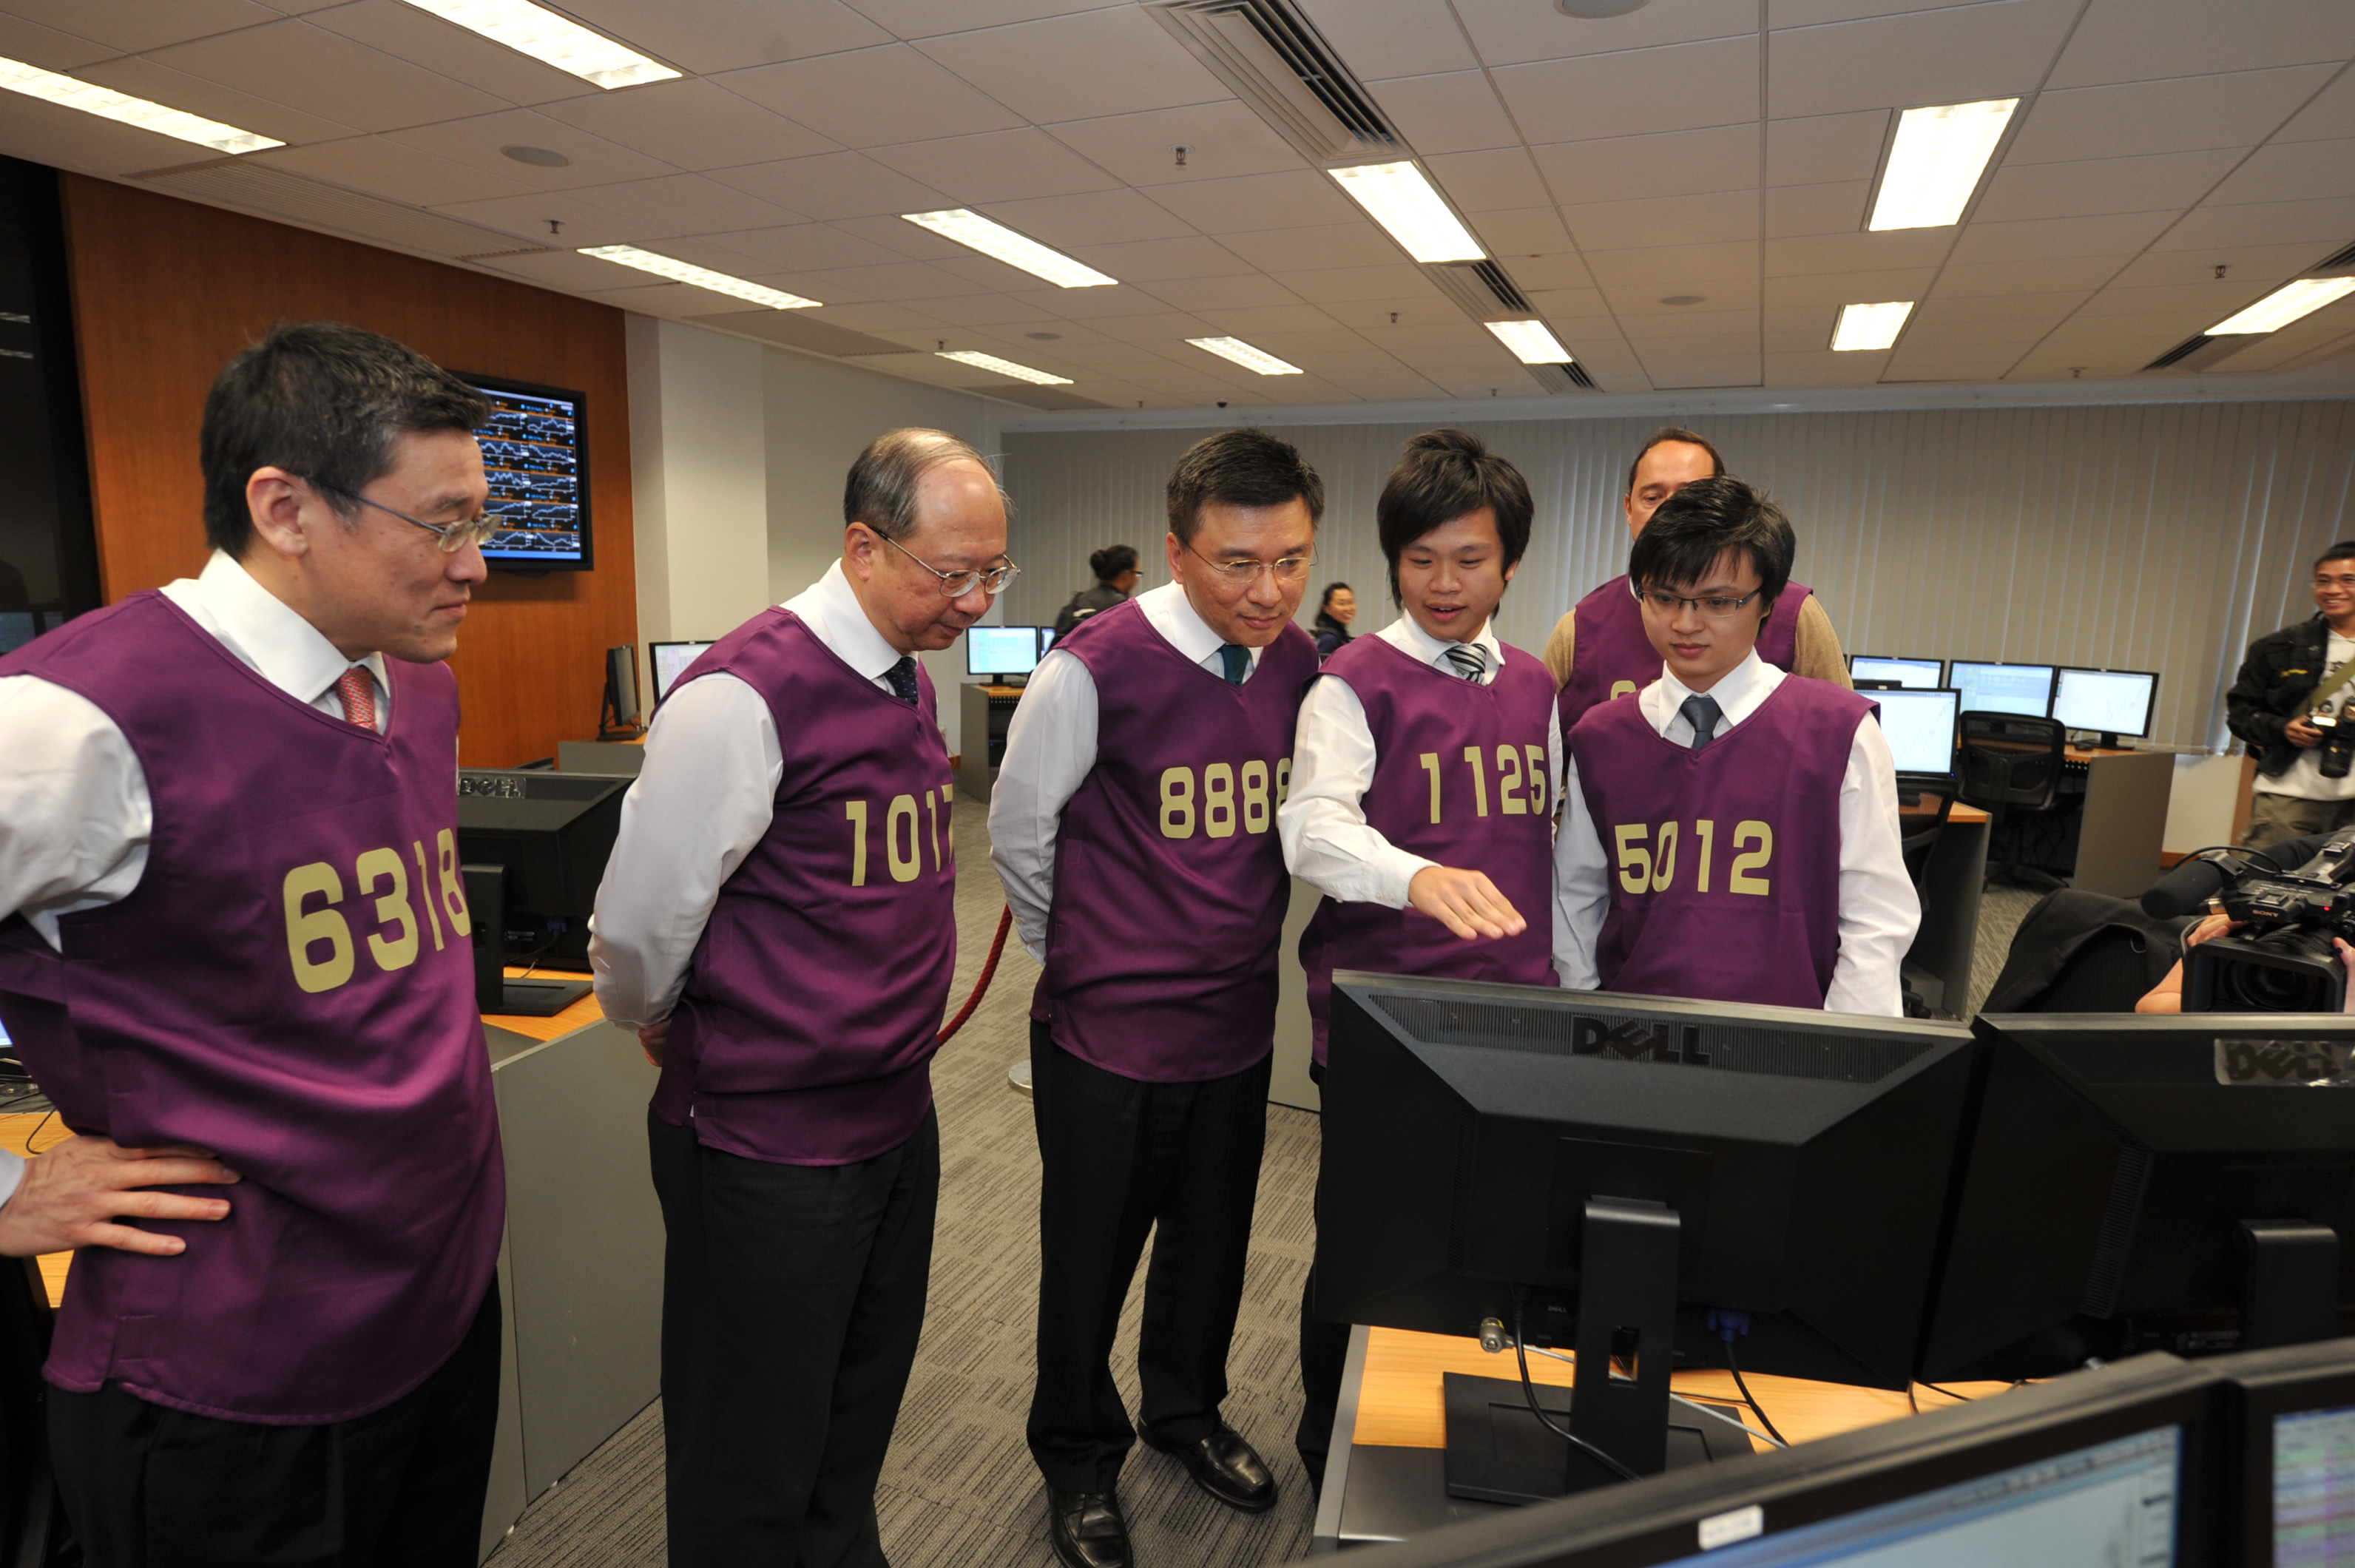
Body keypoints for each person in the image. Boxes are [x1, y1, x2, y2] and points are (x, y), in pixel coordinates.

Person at [0, 320, 505, 1565]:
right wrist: (7, 1189)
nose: (476, 564)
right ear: (285, 507)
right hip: (234, 1384)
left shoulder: (409, 677)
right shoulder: (78, 719)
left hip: (432, 1313)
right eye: (442, 524)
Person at [589, 429, 1010, 1567]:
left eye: (991, 574)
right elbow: (639, 924)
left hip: (892, 1117)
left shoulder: (903, 674)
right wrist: (661, 1019)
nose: (973, 601)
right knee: (750, 1446)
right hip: (766, 1144)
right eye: (950, 573)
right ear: (865, 548)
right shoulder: (743, 694)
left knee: (852, 1410)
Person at [990, 429, 1322, 1568]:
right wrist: (1081, 954)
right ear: (1178, 553)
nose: (1268, 588)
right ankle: (1078, 1455)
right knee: (1089, 1260)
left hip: (1235, 1026)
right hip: (1108, 1039)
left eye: (1289, 559)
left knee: (1213, 1248)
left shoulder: (1298, 663)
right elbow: (1019, 834)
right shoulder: (1090, 666)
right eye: (1239, 562)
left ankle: (1185, 1411)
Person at [1278, 429, 1558, 1493]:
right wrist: (1414, 875)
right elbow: (1309, 829)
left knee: (1491, 1244)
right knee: (1367, 1251)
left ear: (1510, 565)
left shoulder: (1533, 684)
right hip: (1387, 1023)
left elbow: (1550, 840)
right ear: (1394, 560)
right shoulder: (1351, 681)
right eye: (1421, 560)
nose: (1445, 584)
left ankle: (1456, 1429)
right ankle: (1331, 1453)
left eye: (1470, 560)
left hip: (1516, 1018)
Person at [1555, 477, 1918, 1016]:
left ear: (1768, 600)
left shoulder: (1838, 733)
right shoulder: (1601, 738)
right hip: (1634, 1035)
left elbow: (1875, 918)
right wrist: (1584, 1022)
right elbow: (1576, 901)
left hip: (1791, 1038)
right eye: (1663, 598)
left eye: (1718, 602)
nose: (1685, 623)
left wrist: (1841, 1051)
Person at [1544, 428, 1850, 731]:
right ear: (1629, 508)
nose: (1672, 512)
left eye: (1718, 602)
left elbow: (1839, 730)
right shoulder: (1580, 628)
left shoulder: (1794, 615)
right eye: (1653, 497)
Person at [2226, 542, 2355, 851]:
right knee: (2265, 887)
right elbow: (2240, 714)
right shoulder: (2278, 647)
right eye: (2323, 580)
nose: (2333, 589)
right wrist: (2283, 728)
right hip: (2287, 796)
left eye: (2348, 580)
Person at [1053, 544, 1141, 638]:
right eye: (1138, 574)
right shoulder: (1122, 608)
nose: (1138, 579)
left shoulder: (1078, 601)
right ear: (1126, 575)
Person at [1311, 581, 1355, 659]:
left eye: (1350, 602)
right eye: (1341, 603)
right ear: (1326, 609)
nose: (1348, 608)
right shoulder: (1329, 639)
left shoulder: (1341, 636)